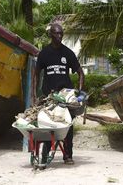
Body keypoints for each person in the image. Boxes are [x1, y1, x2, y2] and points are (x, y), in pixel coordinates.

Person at [35, 23, 85, 165]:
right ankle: (44, 151)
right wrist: (34, 94)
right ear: (51, 34)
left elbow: (81, 73)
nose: (59, 36)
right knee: (45, 123)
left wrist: (79, 94)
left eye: (61, 34)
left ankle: (67, 155)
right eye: (56, 34)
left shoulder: (68, 53)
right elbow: (36, 75)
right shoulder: (44, 53)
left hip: (65, 96)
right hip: (49, 95)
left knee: (67, 125)